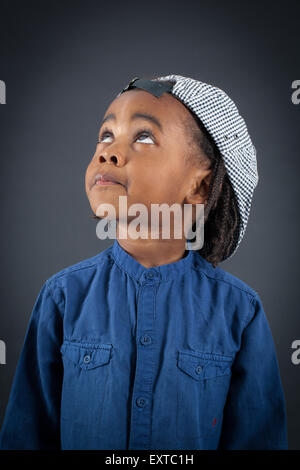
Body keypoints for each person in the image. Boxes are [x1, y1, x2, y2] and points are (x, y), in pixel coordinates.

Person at [0, 74, 288, 450]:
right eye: (106, 135)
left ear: (200, 187)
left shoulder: (240, 311)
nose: (108, 152)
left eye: (144, 137)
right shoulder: (63, 296)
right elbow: (26, 436)